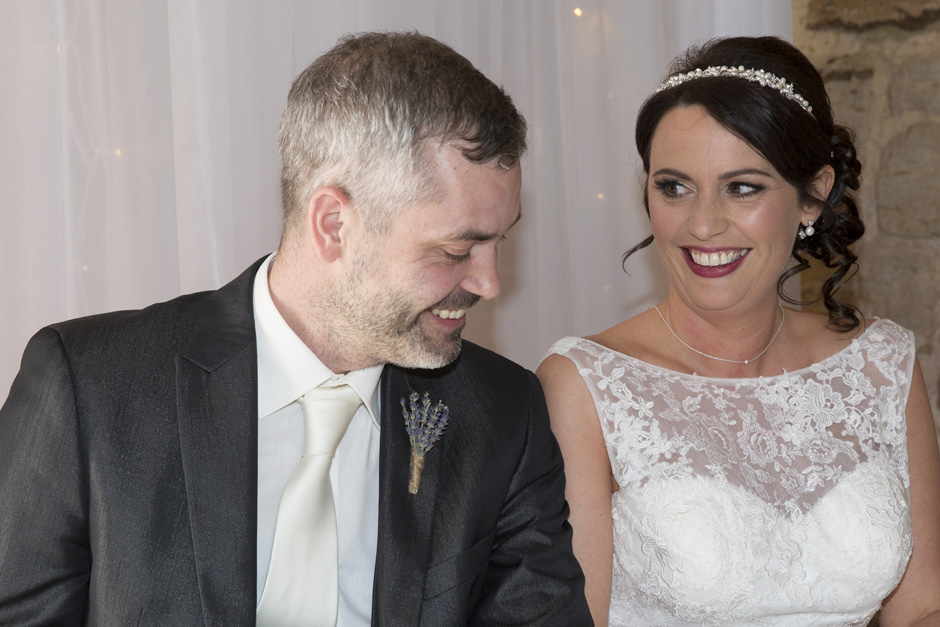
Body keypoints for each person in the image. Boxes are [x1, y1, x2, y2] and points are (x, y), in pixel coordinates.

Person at [0, 32, 591, 626]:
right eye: (457, 248)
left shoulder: (503, 415)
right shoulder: (91, 387)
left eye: (499, 242)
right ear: (333, 224)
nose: (489, 282)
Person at [538, 36, 940, 626]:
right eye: (673, 187)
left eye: (742, 187)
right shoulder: (586, 385)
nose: (702, 224)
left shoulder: (883, 366)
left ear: (814, 195)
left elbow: (921, 607)